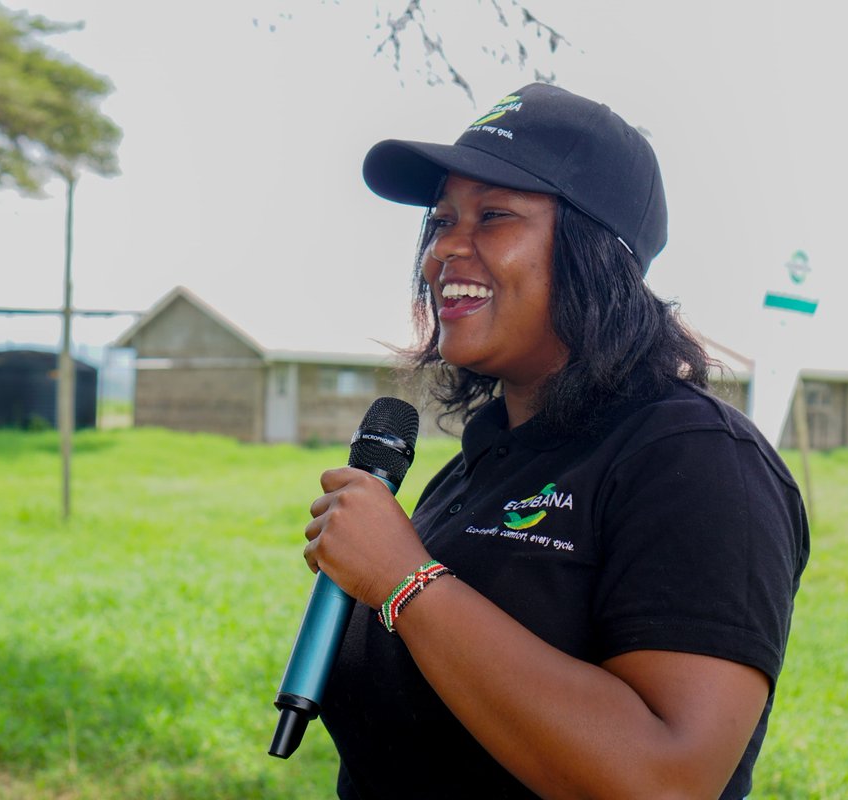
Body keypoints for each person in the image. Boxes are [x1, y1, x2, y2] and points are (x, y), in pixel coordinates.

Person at [303, 82, 809, 800]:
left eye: (494, 216)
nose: (444, 250)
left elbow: (666, 778)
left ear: (594, 253)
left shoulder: (698, 461)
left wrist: (405, 582)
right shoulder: (478, 466)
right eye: (441, 220)